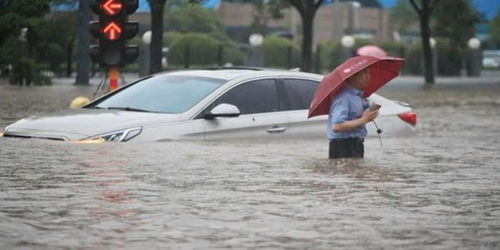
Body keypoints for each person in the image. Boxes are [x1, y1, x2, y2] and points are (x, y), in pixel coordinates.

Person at [327, 67, 379, 159]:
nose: (368, 77)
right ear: (352, 76)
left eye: (369, 73)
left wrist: (366, 116)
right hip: (343, 146)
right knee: (346, 173)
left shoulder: (358, 96)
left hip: (356, 144)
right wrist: (364, 119)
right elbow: (337, 127)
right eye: (364, 73)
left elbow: (355, 119)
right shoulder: (343, 98)